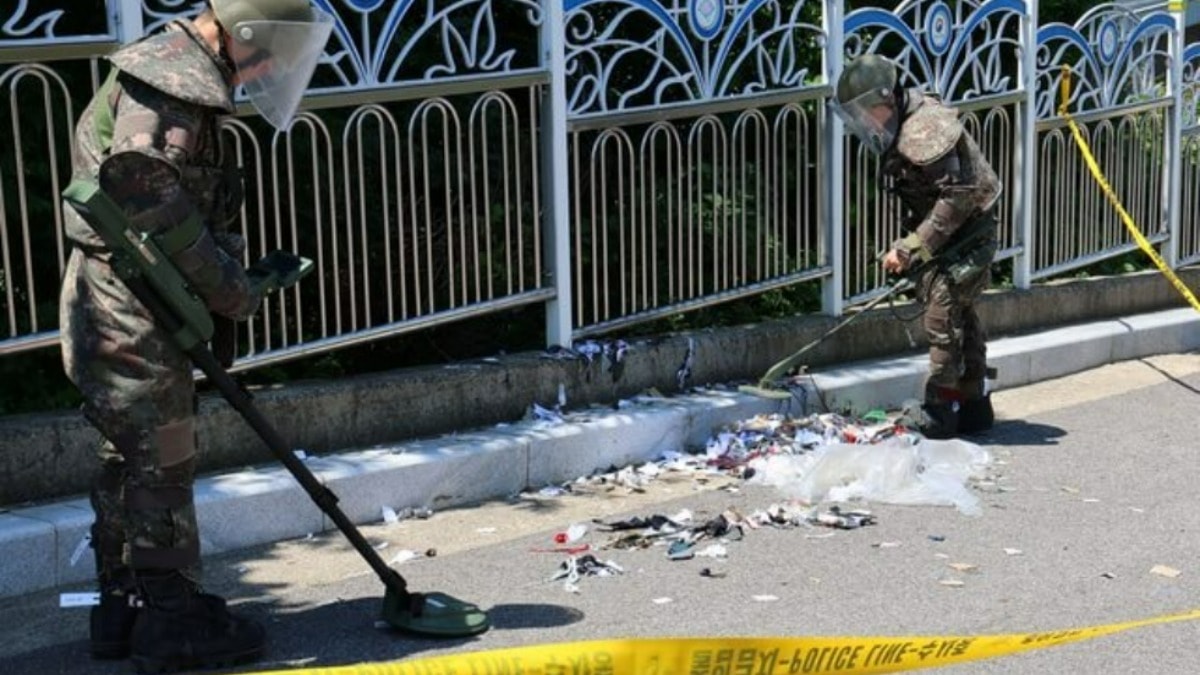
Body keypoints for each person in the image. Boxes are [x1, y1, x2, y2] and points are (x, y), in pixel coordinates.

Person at [59, 0, 332, 670]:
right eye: (268, 56)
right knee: (162, 456)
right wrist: (228, 286)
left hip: (127, 296)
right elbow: (139, 183)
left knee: (129, 454)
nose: (266, 72)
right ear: (243, 35)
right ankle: (171, 621)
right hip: (130, 303)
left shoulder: (178, 72)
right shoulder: (171, 82)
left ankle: (123, 605)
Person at [831, 54, 1001, 439]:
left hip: (968, 232)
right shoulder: (903, 121)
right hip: (956, 232)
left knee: (942, 315)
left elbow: (957, 196)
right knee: (960, 312)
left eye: (866, 112)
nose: (866, 122)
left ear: (885, 99)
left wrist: (910, 248)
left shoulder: (924, 127)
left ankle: (941, 410)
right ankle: (974, 404)